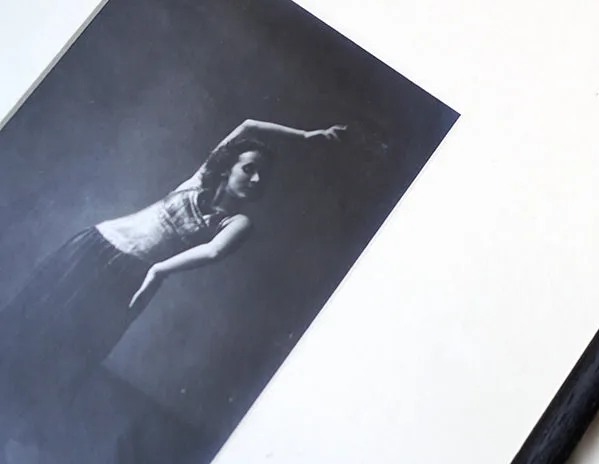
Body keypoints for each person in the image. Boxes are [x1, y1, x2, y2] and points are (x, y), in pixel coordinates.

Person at [0, 119, 345, 459]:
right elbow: (248, 126)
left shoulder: (236, 223)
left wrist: (157, 271)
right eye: (249, 168)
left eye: (263, 177)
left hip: (124, 280)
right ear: (228, 168)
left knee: (65, 356)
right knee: (27, 326)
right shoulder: (200, 179)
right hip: (93, 246)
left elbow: (214, 250)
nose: (256, 179)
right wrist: (306, 136)